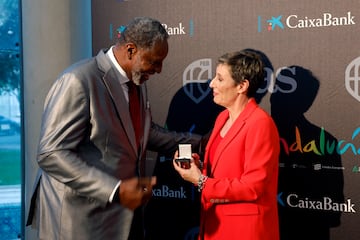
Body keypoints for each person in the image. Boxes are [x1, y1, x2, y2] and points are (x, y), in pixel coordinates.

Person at [26, 17, 203, 240]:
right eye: (154, 61)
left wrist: (203, 141)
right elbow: (51, 153)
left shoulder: (136, 80)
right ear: (131, 50)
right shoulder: (78, 80)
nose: (159, 69)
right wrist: (115, 190)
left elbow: (142, 133)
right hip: (80, 218)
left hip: (122, 218)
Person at [173, 50, 280, 240]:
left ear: (242, 85)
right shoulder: (222, 117)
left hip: (244, 231)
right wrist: (198, 168)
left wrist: (200, 181)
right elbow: (223, 170)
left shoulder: (260, 123)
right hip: (213, 224)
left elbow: (252, 187)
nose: (211, 83)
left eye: (220, 79)